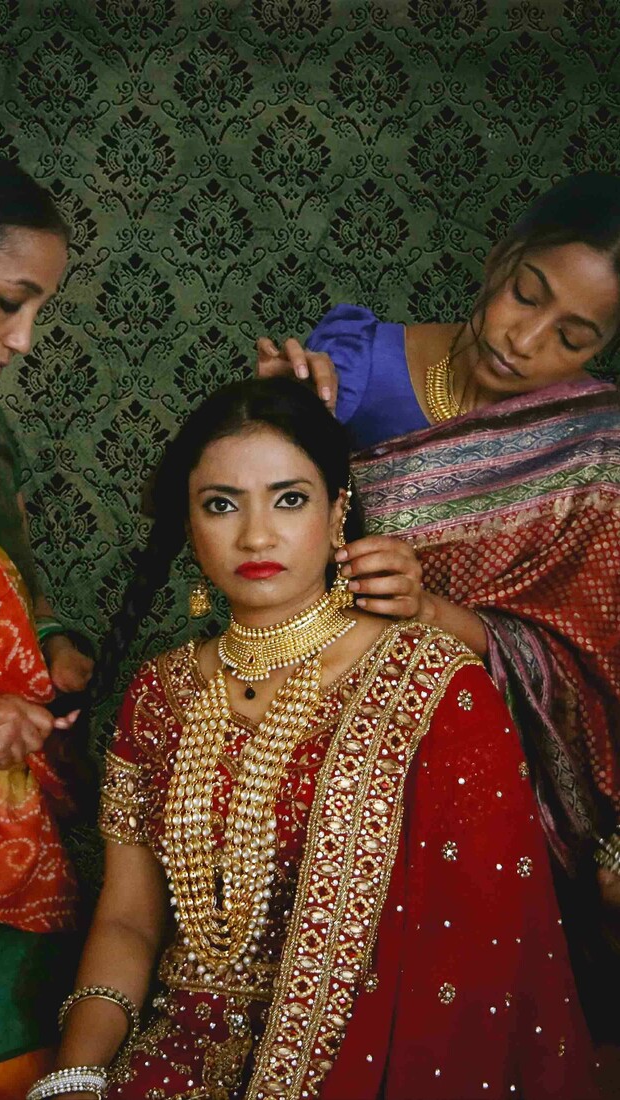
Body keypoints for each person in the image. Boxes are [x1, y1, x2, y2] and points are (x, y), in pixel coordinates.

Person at [33, 378, 600, 1100]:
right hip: (168, 1058)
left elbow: (478, 953)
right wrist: (76, 1075)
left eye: (289, 499)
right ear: (190, 525)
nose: (256, 535)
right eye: (221, 504)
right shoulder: (159, 694)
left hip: (362, 1065)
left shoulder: (430, 683)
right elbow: (127, 922)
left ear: (337, 512)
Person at [256, 173, 620, 1030]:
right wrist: (274, 419)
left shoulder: (598, 444)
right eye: (525, 295)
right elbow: (262, 540)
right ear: (501, 258)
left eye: (573, 337)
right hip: (332, 719)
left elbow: (592, 655)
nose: (524, 340)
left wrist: (434, 613)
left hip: (495, 757)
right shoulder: (352, 364)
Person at [0, 147, 93, 1099]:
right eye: (9, 301)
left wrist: (52, 642)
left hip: (1, 818)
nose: (24, 339)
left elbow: (9, 586)